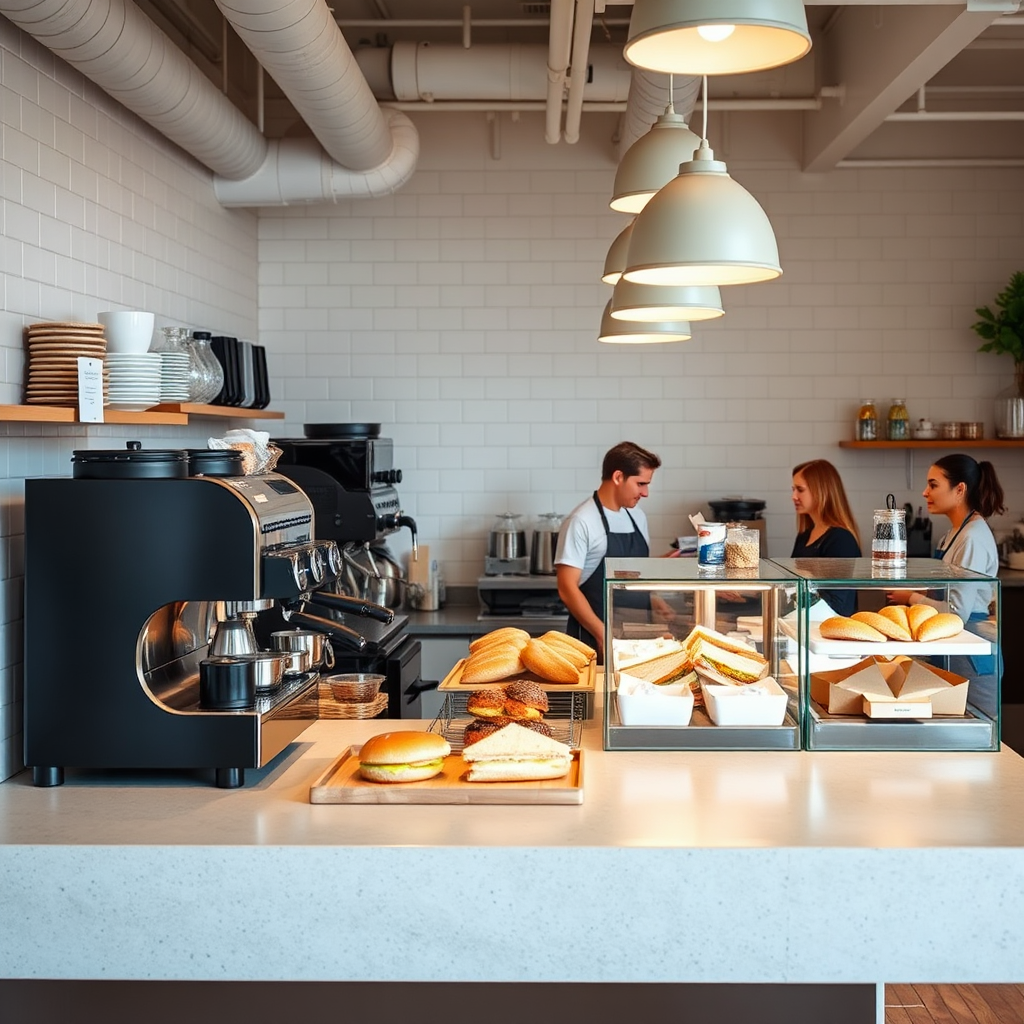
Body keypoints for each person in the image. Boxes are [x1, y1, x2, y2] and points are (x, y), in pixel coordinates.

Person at [555, 441, 662, 654]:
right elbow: (566, 588)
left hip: (637, 638)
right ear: (618, 477)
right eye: (641, 484)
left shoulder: (637, 517)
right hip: (593, 642)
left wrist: (654, 600)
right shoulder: (582, 521)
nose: (646, 492)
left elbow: (631, 574)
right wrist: (601, 633)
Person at [889, 454, 1004, 622]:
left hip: (970, 636)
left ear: (960, 490)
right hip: (952, 631)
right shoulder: (956, 532)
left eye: (933, 485)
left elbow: (957, 613)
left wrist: (910, 597)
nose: (925, 492)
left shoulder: (972, 538)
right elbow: (948, 592)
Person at [790, 459, 862, 616]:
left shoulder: (841, 539)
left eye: (800, 490)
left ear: (821, 491)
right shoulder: (804, 536)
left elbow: (838, 604)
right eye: (793, 489)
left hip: (830, 630)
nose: (794, 496)